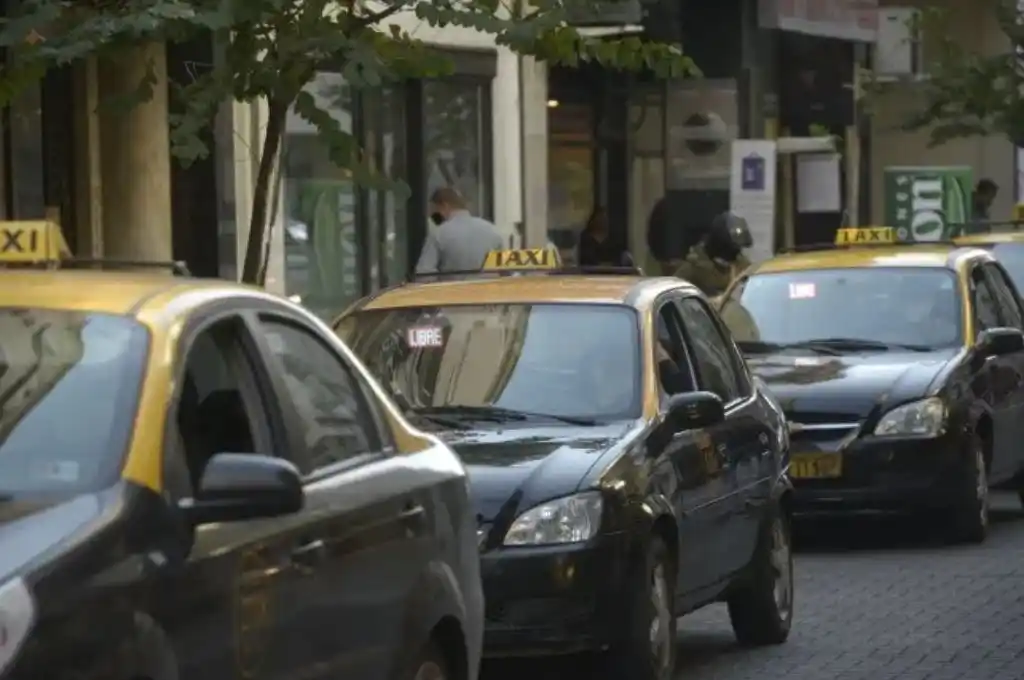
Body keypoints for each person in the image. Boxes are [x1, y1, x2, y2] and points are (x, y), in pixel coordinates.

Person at [415, 187, 504, 274]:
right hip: (489, 287)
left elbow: (425, 273)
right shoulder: (492, 230)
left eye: (434, 210)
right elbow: (506, 270)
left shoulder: (439, 233)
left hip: (453, 288)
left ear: (444, 206)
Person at [674, 212, 753, 297]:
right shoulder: (692, 269)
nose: (737, 253)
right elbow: (673, 294)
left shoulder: (743, 267)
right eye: (732, 249)